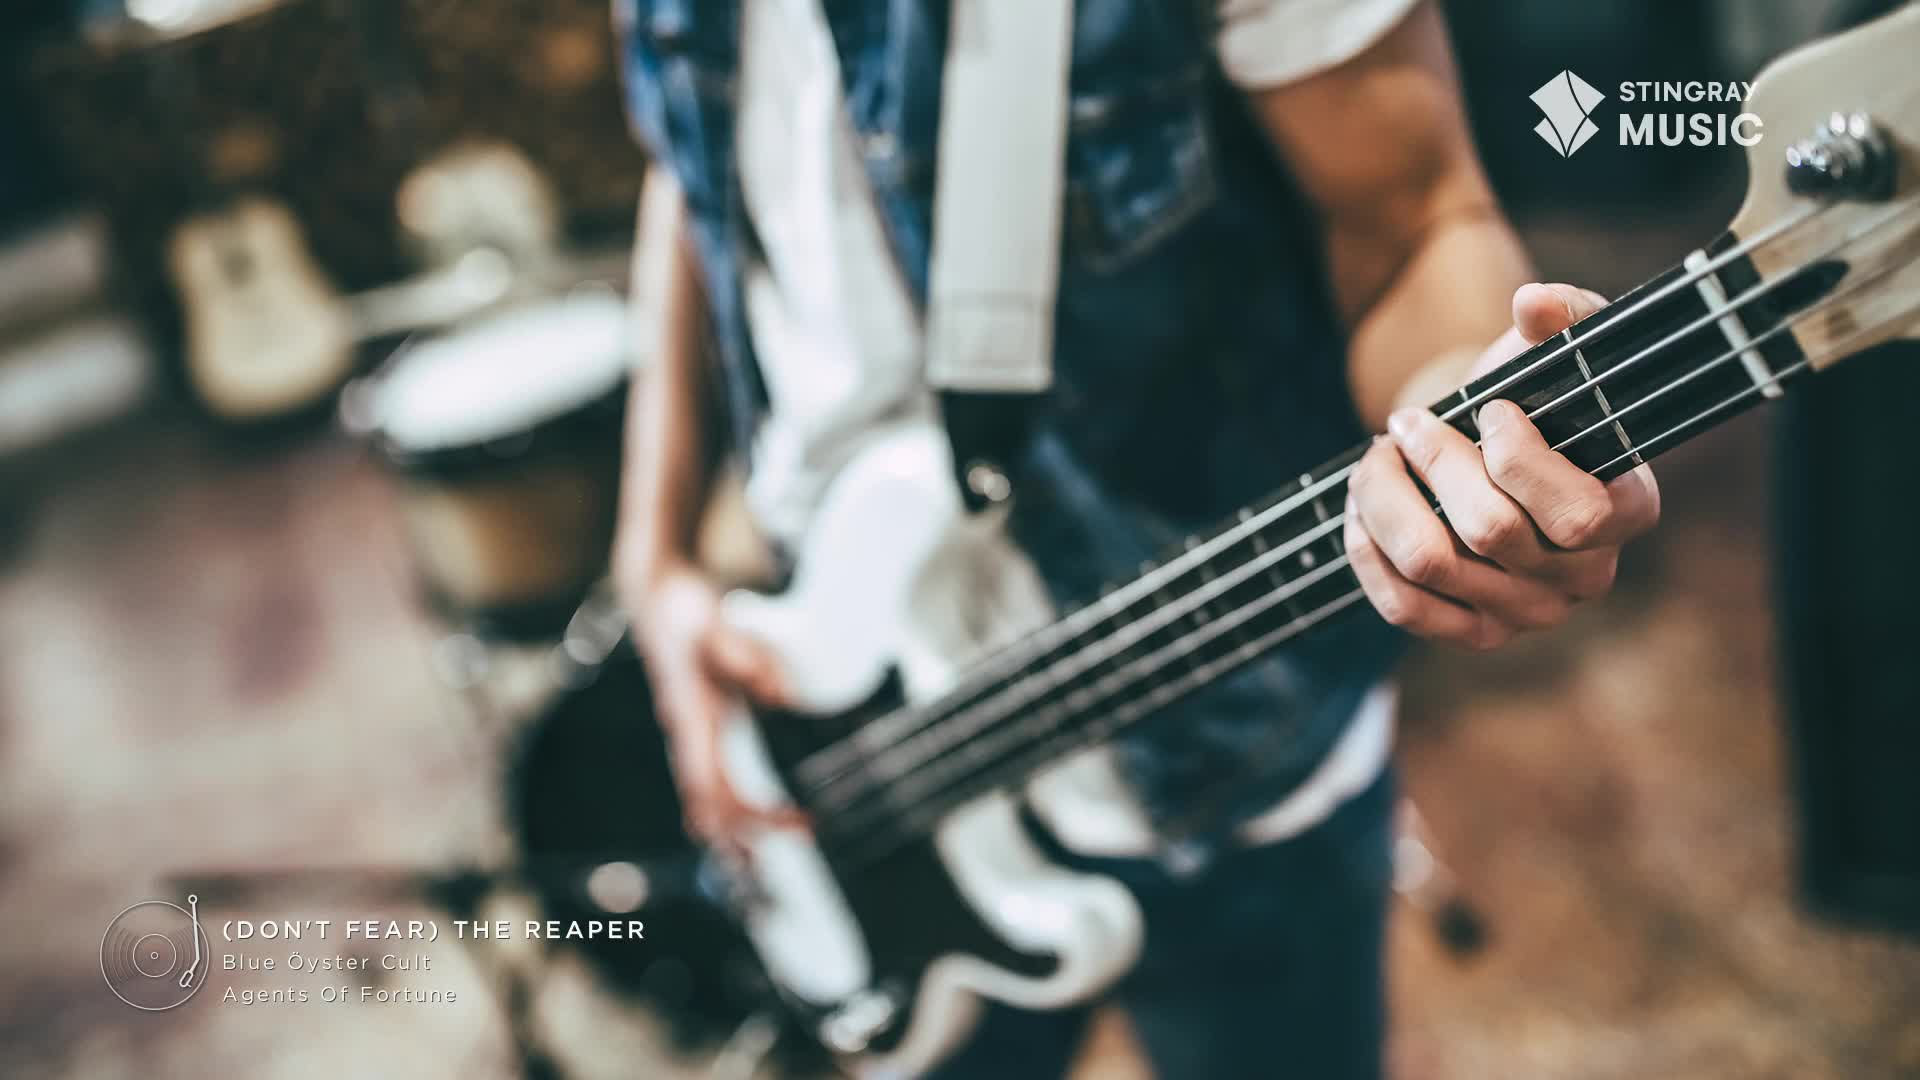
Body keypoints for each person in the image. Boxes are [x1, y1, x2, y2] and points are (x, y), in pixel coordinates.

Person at [611, 0, 1661, 1075]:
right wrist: (650, 560)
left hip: (1234, 749)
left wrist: (1462, 436)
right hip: (834, 720)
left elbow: (1417, 222)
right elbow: (696, 162)